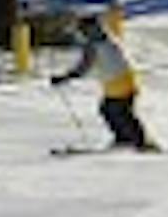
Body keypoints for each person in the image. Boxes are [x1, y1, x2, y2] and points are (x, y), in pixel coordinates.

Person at [60, 13, 157, 151]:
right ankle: (130, 139)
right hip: (123, 81)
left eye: (81, 30)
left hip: (117, 85)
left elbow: (84, 67)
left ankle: (137, 142)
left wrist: (66, 77)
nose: (79, 34)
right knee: (113, 110)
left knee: (118, 111)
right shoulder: (105, 40)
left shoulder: (93, 45)